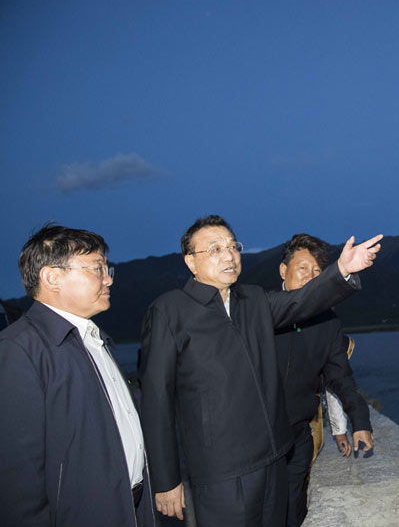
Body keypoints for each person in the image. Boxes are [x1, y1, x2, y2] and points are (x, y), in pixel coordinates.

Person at [138, 215, 381, 526]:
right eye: (214, 249)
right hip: (222, 471)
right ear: (190, 262)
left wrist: (342, 269)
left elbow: (302, 300)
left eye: (232, 247)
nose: (228, 256)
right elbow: (156, 401)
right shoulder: (170, 310)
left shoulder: (253, 300)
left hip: (274, 459)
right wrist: (165, 480)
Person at [0, 224, 155, 526]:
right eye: (97, 268)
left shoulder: (94, 339)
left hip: (131, 510)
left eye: (106, 269)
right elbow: (17, 479)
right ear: (52, 278)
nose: (108, 278)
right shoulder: (18, 350)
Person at [274, 234, 373, 526]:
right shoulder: (260, 312)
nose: (310, 276)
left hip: (298, 438)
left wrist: (360, 421)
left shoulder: (328, 323)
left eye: (317, 271)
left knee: (294, 510)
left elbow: (340, 377)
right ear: (283, 270)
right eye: (303, 268)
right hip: (259, 440)